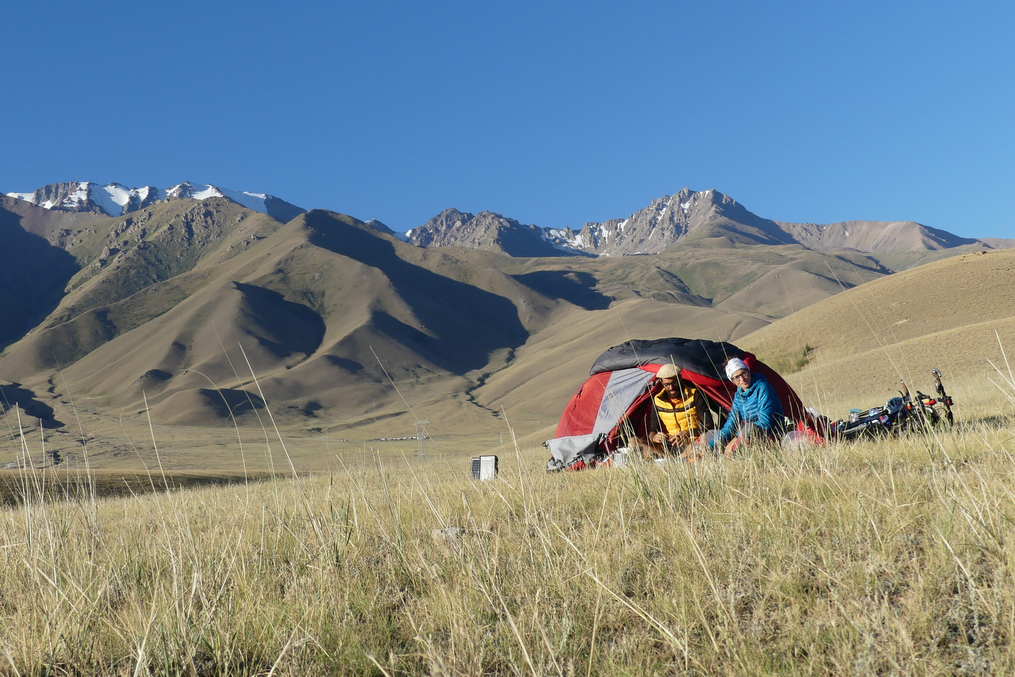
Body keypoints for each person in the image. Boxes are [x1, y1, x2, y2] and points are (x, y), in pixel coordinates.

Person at [708, 357, 785, 457]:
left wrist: (737, 438)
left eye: (744, 373)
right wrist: (710, 446)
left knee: (749, 427)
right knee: (711, 435)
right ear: (732, 380)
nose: (742, 379)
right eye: (736, 377)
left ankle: (732, 456)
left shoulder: (763, 388)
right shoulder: (738, 396)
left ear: (748, 371)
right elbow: (731, 424)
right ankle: (711, 454)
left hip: (771, 434)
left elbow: (764, 422)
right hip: (747, 436)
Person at [641, 364, 718, 460]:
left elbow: (709, 425)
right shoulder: (657, 400)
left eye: (674, 383)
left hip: (693, 441)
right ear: (661, 382)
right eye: (667, 385)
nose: (671, 388)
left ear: (680, 378)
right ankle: (671, 458)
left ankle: (676, 459)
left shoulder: (694, 395)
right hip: (670, 443)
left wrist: (688, 433)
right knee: (634, 441)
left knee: (709, 435)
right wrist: (654, 437)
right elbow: (652, 429)